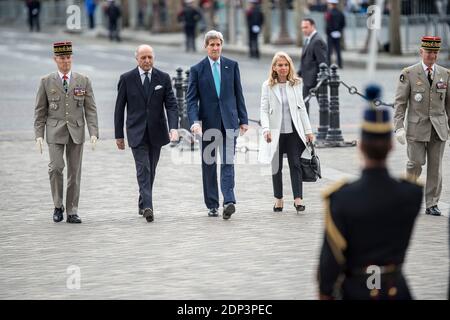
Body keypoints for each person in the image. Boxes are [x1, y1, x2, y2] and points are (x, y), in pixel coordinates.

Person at [318, 86, 423, 300]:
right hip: (396, 290)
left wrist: (325, 292)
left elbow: (329, 263)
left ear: (361, 147)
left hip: (356, 290)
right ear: (391, 147)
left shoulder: (341, 199)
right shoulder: (411, 194)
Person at [34, 41, 99, 224]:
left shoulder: (83, 80)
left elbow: (91, 109)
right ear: (55, 59)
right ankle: (57, 205)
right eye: (62, 58)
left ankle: (72, 210)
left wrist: (93, 131)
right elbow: (40, 111)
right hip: (54, 131)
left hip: (76, 131)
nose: (65, 61)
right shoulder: (46, 82)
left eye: (68, 57)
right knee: (55, 168)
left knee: (74, 172)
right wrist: (38, 135)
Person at [186, 30, 248, 220]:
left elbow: (238, 93)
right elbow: (191, 100)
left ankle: (229, 201)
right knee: (209, 165)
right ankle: (212, 204)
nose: (215, 48)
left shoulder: (232, 65)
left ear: (222, 45)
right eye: (211, 44)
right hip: (208, 125)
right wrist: (195, 122)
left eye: (218, 44)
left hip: (229, 122)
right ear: (206, 47)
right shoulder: (197, 69)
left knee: (228, 162)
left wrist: (243, 119)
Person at [114, 45, 179, 223]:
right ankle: (149, 207)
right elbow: (119, 109)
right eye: (143, 58)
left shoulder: (163, 78)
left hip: (157, 132)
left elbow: (171, 105)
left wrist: (174, 127)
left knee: (151, 170)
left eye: (150, 57)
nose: (147, 61)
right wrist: (118, 135)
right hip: (136, 132)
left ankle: (143, 202)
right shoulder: (126, 79)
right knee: (144, 169)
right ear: (137, 59)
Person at [394, 36, 450, 217]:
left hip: (438, 129)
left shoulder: (445, 74)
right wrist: (398, 127)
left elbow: (449, 105)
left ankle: (432, 203)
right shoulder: (409, 73)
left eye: (435, 53)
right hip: (416, 128)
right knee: (415, 163)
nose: (432, 56)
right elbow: (400, 103)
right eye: (429, 52)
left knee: (436, 168)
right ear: (421, 52)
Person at [258, 52, 314, 213]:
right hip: (275, 133)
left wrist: (308, 131)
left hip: (293, 132)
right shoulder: (267, 85)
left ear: (289, 66)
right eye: (280, 65)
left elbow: (301, 108)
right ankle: (279, 199)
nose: (283, 68)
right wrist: (266, 129)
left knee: (295, 164)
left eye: (286, 65)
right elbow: (263, 110)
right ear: (274, 67)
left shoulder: (296, 83)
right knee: (276, 167)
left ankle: (298, 199)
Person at [297, 18, 327, 114]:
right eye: (302, 28)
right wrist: (299, 72)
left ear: (313, 26)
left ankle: (329, 124)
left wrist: (320, 79)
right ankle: (305, 125)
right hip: (308, 79)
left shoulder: (317, 40)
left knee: (323, 103)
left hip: (316, 79)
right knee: (304, 103)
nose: (304, 30)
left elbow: (322, 62)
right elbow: (306, 59)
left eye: (306, 27)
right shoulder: (309, 39)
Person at [325, 0, 345, 68]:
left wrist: (329, 32)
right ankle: (340, 64)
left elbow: (328, 24)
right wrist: (339, 31)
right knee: (338, 50)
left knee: (329, 50)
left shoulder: (329, 13)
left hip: (330, 34)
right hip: (338, 33)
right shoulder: (340, 13)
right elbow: (343, 23)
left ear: (331, 4)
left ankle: (328, 64)